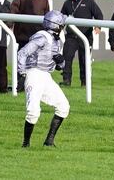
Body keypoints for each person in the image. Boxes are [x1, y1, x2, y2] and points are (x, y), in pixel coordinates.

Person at [18, 10, 70, 148]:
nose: (63, 27)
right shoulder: (42, 37)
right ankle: (26, 143)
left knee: (63, 107)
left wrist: (61, 62)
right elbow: (22, 53)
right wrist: (22, 74)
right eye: (61, 24)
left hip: (46, 75)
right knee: (33, 111)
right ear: (55, 25)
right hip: (34, 73)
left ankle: (49, 141)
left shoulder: (57, 40)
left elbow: (58, 66)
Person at [59, 0, 104, 87]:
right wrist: (58, 30)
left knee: (84, 60)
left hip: (86, 36)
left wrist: (98, 26)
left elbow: (99, 14)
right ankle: (66, 80)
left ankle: (84, 82)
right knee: (67, 57)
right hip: (71, 36)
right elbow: (61, 18)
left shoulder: (89, 2)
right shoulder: (67, 3)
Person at [10, 0, 50, 91]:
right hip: (23, 37)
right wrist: (8, 26)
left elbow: (48, 17)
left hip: (38, 39)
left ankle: (36, 86)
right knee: (21, 62)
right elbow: (11, 15)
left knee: (38, 65)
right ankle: (20, 85)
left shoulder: (43, 0)